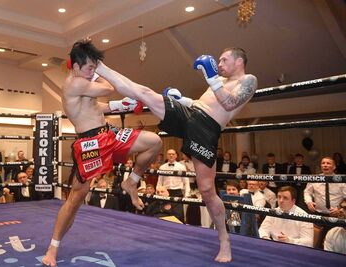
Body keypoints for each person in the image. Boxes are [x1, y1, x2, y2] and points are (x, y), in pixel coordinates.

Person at [96, 47, 257, 262]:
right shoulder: (217, 79)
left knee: (207, 190)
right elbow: (200, 104)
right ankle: (100, 66)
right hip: (190, 114)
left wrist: (211, 77)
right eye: (218, 61)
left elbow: (229, 103)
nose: (219, 64)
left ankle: (224, 241)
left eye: (224, 59)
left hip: (207, 129)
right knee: (145, 93)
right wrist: (182, 100)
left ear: (239, 61)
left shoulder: (248, 80)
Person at [42, 39, 162, 267]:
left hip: (108, 134)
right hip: (90, 144)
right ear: (75, 67)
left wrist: (123, 106)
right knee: (76, 199)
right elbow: (108, 88)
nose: (91, 72)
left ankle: (132, 182)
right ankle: (53, 247)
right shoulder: (74, 84)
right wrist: (99, 72)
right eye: (89, 68)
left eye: (93, 68)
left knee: (154, 141)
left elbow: (98, 107)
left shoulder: (82, 84)